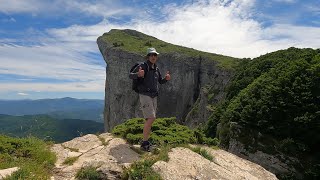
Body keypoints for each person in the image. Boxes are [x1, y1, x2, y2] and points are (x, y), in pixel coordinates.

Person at [129, 47, 171, 151]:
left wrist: (166, 79)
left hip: (153, 96)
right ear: (148, 56)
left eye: (155, 55)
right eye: (151, 55)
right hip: (145, 95)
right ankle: (144, 143)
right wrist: (138, 74)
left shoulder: (156, 69)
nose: (153, 57)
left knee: (150, 119)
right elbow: (130, 75)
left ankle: (146, 140)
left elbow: (160, 81)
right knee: (152, 118)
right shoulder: (143, 66)